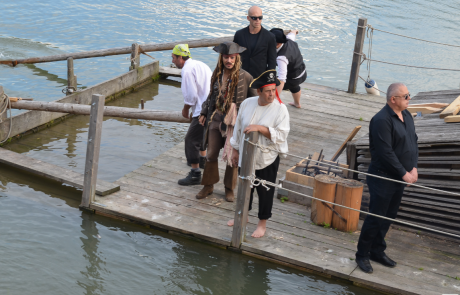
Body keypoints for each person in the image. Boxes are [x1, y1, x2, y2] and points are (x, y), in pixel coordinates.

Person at [355, 83, 419, 273]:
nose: (409, 99)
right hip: (383, 177)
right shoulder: (381, 120)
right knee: (376, 217)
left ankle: (377, 250)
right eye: (406, 96)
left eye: (409, 95)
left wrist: (414, 167)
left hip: (400, 177)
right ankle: (362, 254)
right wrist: (404, 173)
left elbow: (413, 141)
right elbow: (385, 153)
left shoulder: (406, 115)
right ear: (393, 100)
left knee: (389, 216)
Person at [227, 70, 290, 238]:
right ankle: (244, 216)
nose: (272, 94)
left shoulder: (281, 109)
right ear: (259, 91)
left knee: (265, 191)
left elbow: (282, 135)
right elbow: (239, 128)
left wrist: (260, 128)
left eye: (273, 90)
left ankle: (262, 224)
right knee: (245, 186)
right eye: (268, 91)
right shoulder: (248, 103)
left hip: (267, 157)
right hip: (246, 156)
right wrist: (234, 150)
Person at [197, 41, 258, 202]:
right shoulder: (217, 73)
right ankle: (208, 185)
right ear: (221, 58)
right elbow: (210, 96)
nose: (228, 61)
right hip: (215, 119)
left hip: (234, 124)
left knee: (232, 157)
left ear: (236, 58)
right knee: (210, 154)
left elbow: (253, 100)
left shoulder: (245, 77)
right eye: (225, 57)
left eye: (231, 57)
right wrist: (204, 111)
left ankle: (229, 189)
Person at [171, 44, 212, 186]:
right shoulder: (200, 64)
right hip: (211, 106)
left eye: (174, 58)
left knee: (190, 140)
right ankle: (202, 161)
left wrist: (185, 109)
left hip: (202, 110)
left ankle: (195, 174)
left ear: (181, 57)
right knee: (201, 137)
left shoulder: (187, 70)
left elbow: (191, 96)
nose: (173, 61)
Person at [233, 6, 277, 79]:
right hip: (241, 75)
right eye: (254, 18)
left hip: (260, 77)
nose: (257, 20)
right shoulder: (239, 34)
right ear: (248, 18)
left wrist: (270, 80)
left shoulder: (270, 36)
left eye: (260, 17)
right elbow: (234, 55)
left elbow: (272, 61)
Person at [270, 28, 307, 108]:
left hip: (294, 78)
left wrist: (275, 98)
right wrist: (296, 31)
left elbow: (282, 79)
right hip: (302, 73)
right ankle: (297, 104)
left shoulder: (281, 58)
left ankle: (274, 104)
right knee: (294, 86)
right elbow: (293, 32)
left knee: (269, 84)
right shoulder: (289, 40)